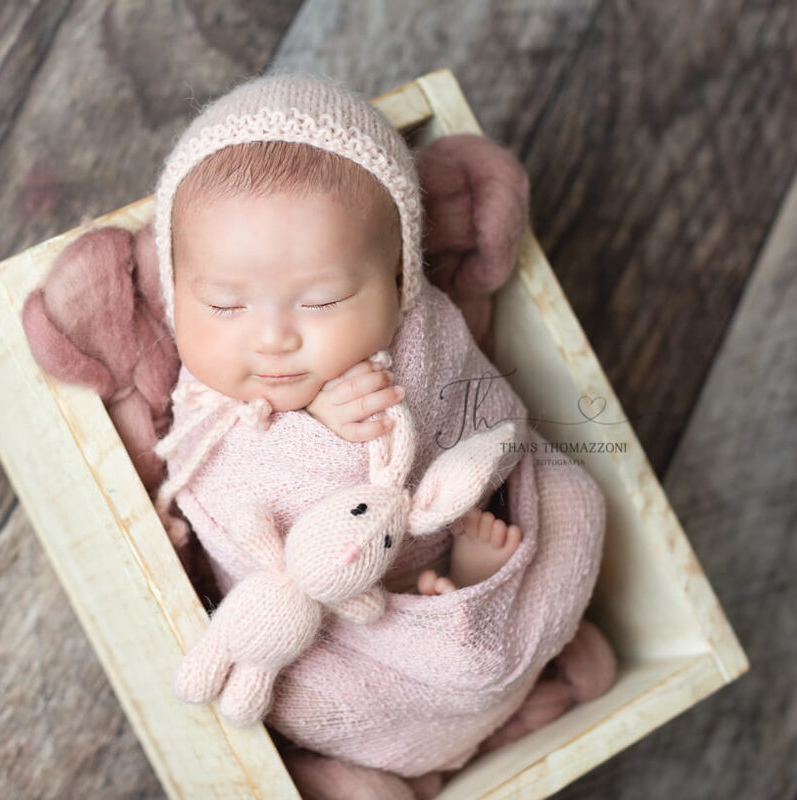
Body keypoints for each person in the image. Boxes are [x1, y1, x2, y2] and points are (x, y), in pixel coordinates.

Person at [152, 73, 609, 785]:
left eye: (324, 299)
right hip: (327, 634)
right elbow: (236, 490)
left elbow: (477, 422)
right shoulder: (205, 403)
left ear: (401, 276)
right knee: (307, 696)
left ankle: (474, 600)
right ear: (176, 286)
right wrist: (317, 430)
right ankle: (472, 694)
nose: (272, 339)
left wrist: (374, 422)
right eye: (224, 304)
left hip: (427, 535)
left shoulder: (423, 336)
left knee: (574, 500)